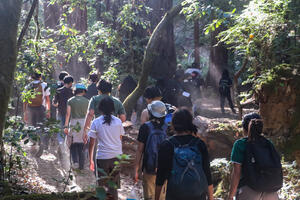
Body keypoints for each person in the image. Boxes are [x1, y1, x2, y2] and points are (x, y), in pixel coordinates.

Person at [155, 108, 214, 200]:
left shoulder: (167, 145)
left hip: (175, 194)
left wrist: (156, 198)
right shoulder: (199, 144)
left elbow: (160, 176)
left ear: (173, 123)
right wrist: (211, 197)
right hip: (198, 194)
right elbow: (207, 173)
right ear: (190, 123)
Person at [227, 113, 282, 200]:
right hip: (271, 190)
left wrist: (230, 196)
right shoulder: (268, 143)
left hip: (249, 190)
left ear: (245, 129)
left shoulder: (240, 144)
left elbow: (237, 173)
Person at [88, 97, 125, 200]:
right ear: (113, 108)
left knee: (102, 187)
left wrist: (90, 159)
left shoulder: (96, 122)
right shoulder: (118, 121)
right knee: (113, 186)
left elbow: (91, 143)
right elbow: (120, 139)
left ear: (100, 108)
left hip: (102, 157)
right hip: (117, 157)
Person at [134, 101, 168, 200]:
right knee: (162, 197)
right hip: (164, 170)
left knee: (149, 196)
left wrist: (136, 169)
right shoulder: (167, 128)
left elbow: (140, 150)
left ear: (150, 113)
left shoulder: (145, 127)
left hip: (149, 168)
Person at [23, 71, 51, 157]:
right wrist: (48, 110)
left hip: (31, 109)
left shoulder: (28, 86)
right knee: (41, 127)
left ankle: (33, 146)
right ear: (40, 77)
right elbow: (47, 100)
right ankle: (41, 143)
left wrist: (25, 113)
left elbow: (24, 101)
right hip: (41, 109)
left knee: (32, 127)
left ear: (32, 77)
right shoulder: (44, 85)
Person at [64, 83, 89, 170]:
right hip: (84, 123)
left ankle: (75, 162)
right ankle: (81, 166)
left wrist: (66, 126)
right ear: (83, 91)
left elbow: (68, 114)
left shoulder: (70, 100)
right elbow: (89, 115)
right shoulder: (87, 101)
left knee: (73, 143)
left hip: (74, 123)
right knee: (82, 143)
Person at [53, 75, 74, 169]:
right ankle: (67, 149)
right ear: (70, 83)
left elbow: (54, 103)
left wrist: (58, 105)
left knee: (60, 131)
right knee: (68, 131)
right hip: (69, 115)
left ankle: (61, 148)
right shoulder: (72, 91)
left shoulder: (59, 90)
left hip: (60, 113)